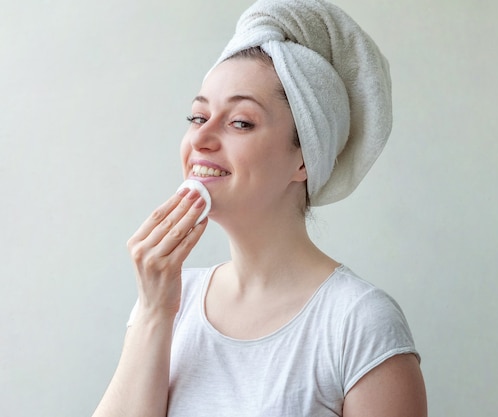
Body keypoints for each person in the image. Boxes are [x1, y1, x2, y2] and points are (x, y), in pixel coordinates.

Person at [92, 0, 427, 416]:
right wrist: (153, 311)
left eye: (240, 122)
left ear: (304, 159)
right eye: (197, 117)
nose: (201, 139)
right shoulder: (170, 300)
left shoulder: (358, 323)